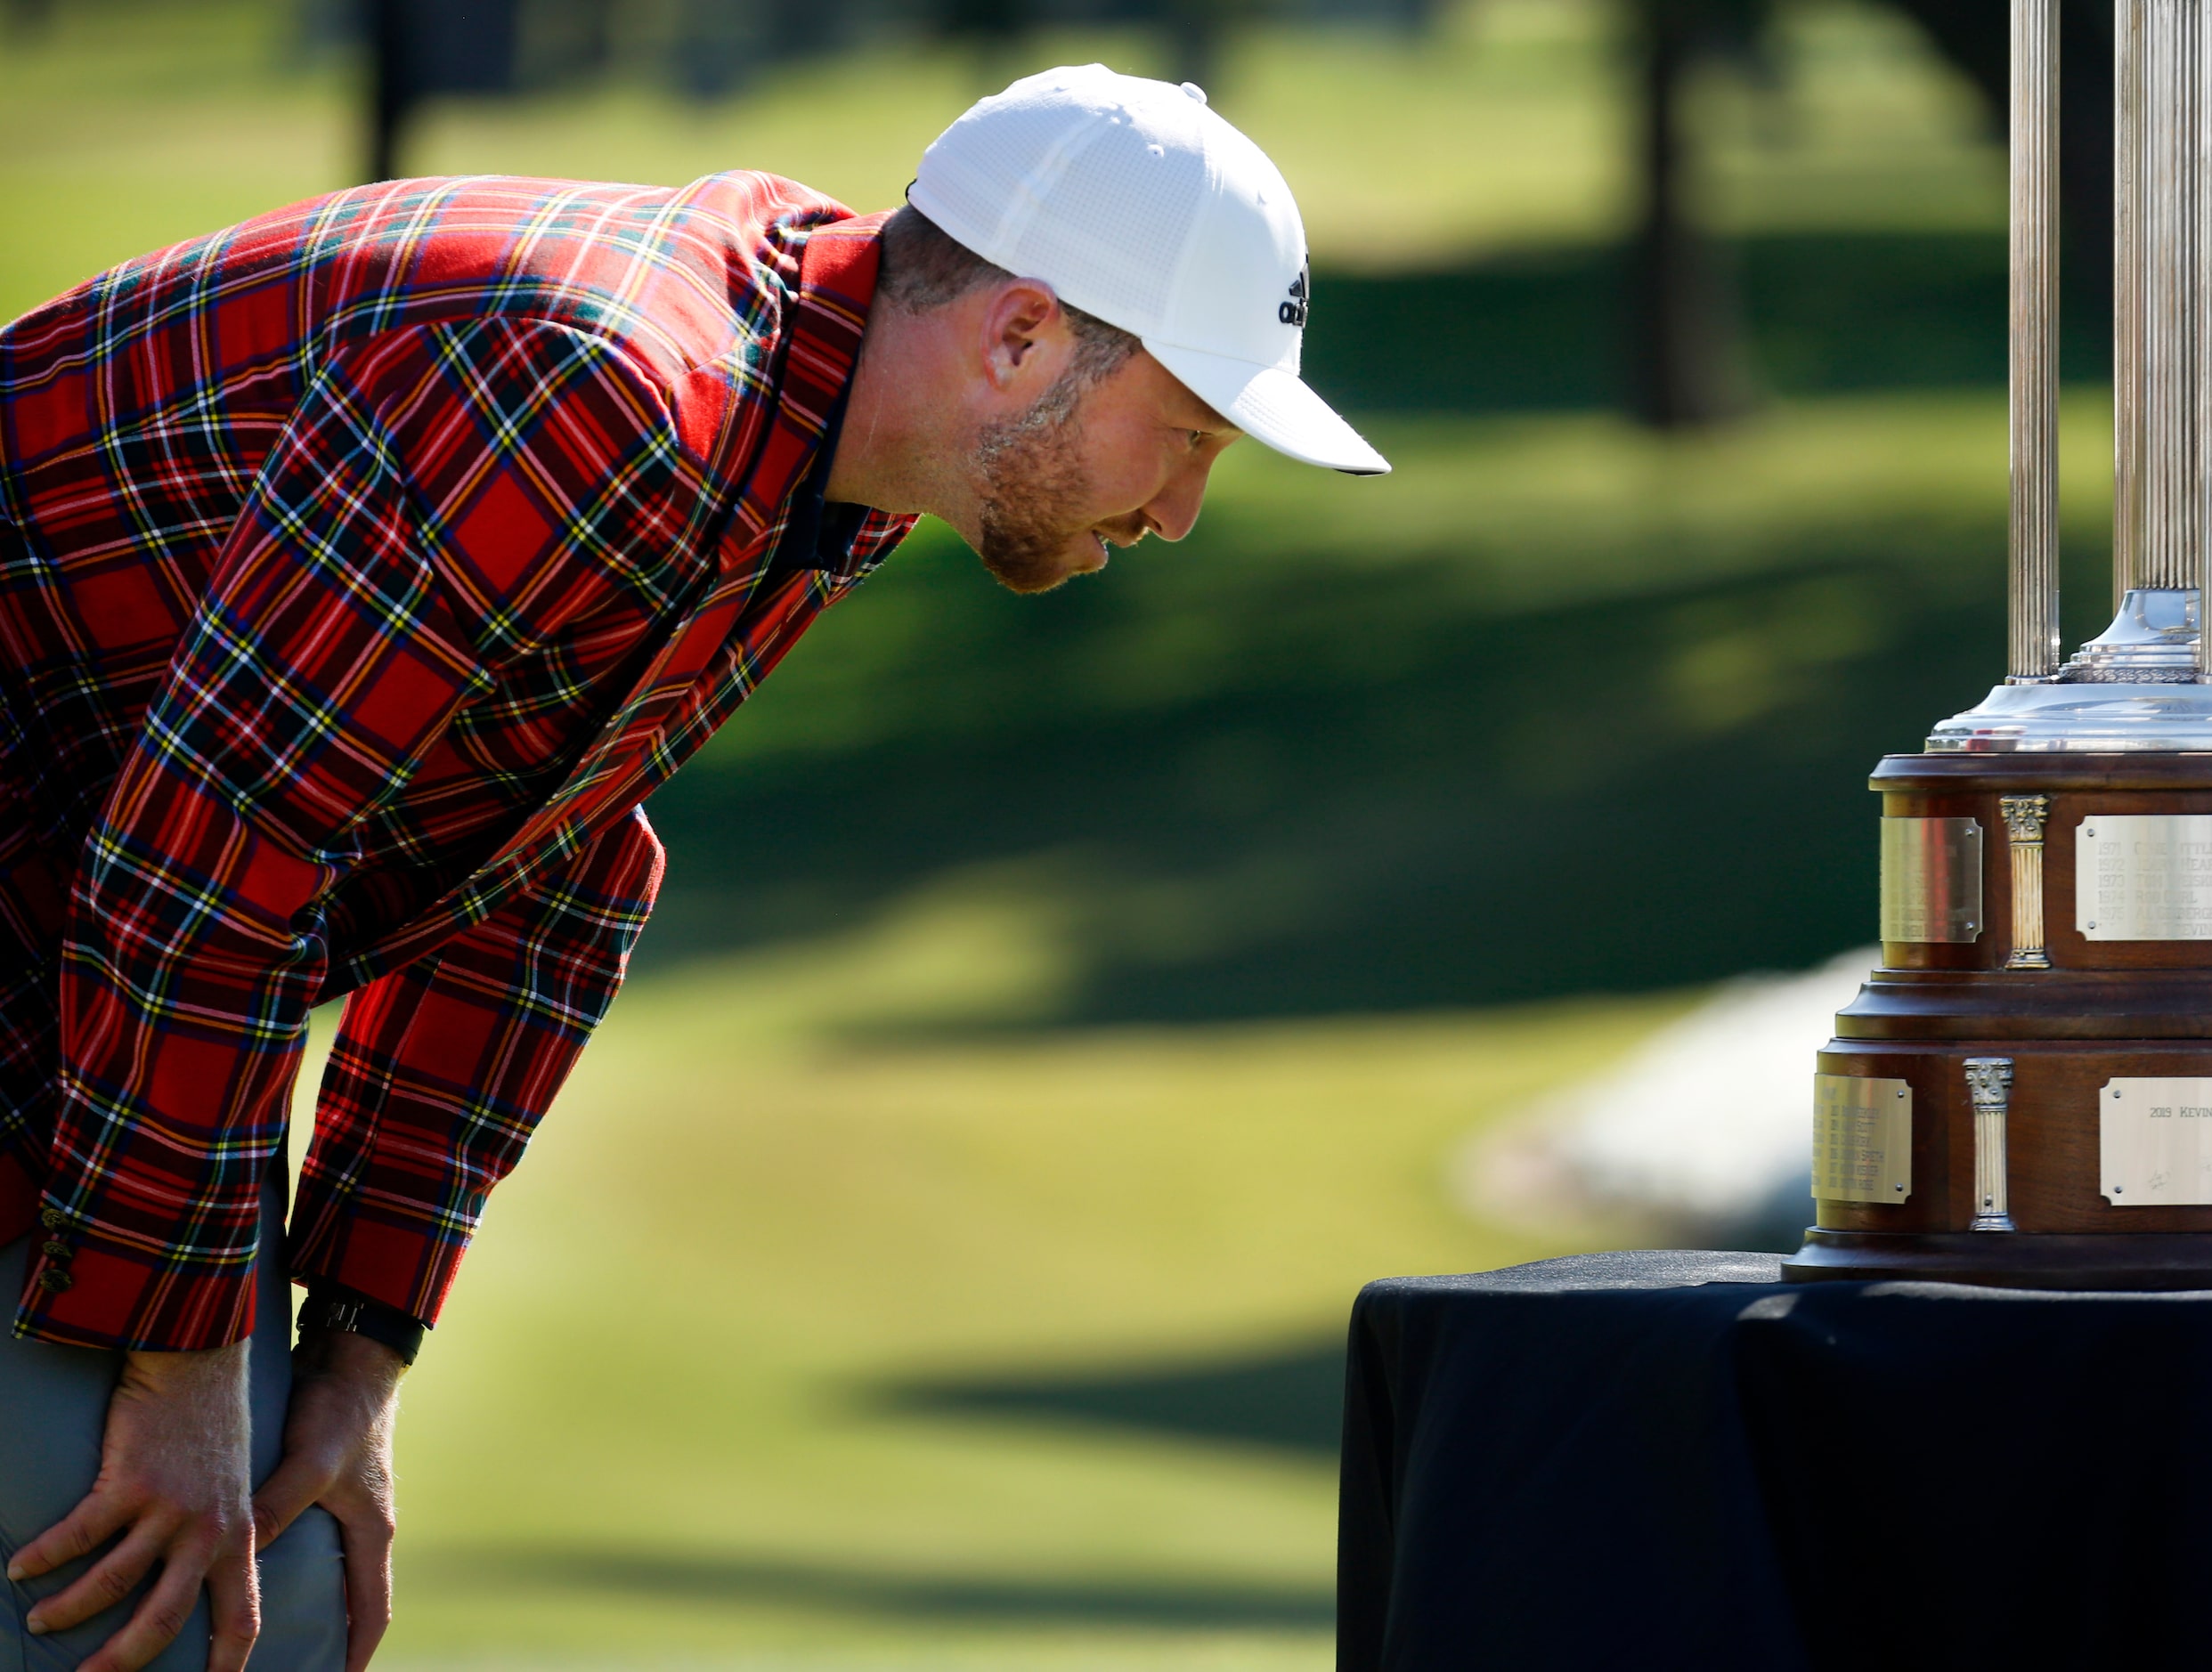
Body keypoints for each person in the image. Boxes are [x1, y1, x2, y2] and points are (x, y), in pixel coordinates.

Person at [0, 64, 1384, 1672]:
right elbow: (218, 845)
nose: (1183, 512)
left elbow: (546, 871)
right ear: (1019, 338)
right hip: (77, 938)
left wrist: (355, 1353)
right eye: (1187, 435)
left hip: (75, 971)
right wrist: (178, 1366)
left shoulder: (809, 456)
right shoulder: (612, 388)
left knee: (266, 1592)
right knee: (153, 1622)